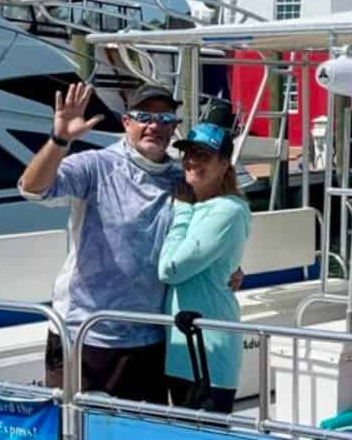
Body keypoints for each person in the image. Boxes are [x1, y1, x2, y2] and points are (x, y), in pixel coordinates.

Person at [17, 82, 241, 403]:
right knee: (75, 425)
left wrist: (231, 267)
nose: (154, 126)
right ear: (126, 122)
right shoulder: (95, 165)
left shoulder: (183, 178)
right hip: (85, 334)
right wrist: (60, 139)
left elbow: (210, 232)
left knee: (142, 427)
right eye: (144, 117)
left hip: (151, 337)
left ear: (174, 128)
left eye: (165, 119)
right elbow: (32, 188)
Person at [158, 105, 252, 413]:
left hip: (207, 352)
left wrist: (182, 210)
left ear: (224, 164)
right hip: (183, 351)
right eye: (188, 153)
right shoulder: (202, 205)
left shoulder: (226, 210)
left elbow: (170, 269)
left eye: (203, 155)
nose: (192, 160)